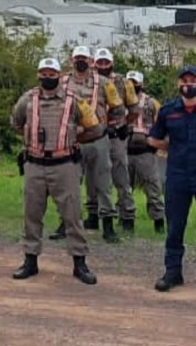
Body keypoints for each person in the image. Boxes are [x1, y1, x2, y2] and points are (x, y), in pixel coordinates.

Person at [11, 57, 100, 285]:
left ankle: (79, 263)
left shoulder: (74, 100)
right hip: (35, 164)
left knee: (72, 215)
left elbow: (95, 126)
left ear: (60, 76)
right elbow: (15, 123)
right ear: (38, 74)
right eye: (44, 73)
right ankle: (30, 260)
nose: (47, 77)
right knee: (32, 214)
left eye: (52, 74)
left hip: (64, 165)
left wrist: (73, 138)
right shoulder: (28, 99)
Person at [58, 44, 124, 244]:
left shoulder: (103, 82)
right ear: (72, 60)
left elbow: (119, 108)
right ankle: (65, 224)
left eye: (85, 58)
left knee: (103, 183)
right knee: (69, 184)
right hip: (72, 142)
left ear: (90, 61)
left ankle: (108, 226)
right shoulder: (62, 82)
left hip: (98, 140)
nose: (81, 61)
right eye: (77, 57)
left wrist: (109, 124)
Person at [148, 65, 196, 291]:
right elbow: (153, 139)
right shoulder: (168, 110)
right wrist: (171, 147)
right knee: (175, 225)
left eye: (192, 80)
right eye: (184, 80)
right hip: (177, 175)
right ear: (178, 84)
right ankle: (173, 272)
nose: (188, 85)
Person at [93, 47, 139, 233]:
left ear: (112, 62)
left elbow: (135, 109)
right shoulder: (90, 82)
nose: (103, 65)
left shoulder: (124, 82)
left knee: (121, 176)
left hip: (115, 135)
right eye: (100, 62)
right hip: (94, 135)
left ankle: (127, 215)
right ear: (94, 63)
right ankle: (96, 214)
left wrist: (124, 125)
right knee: (96, 178)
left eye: (106, 62)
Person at [125, 70, 165, 233]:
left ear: (141, 84)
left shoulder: (151, 102)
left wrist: (155, 145)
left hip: (146, 153)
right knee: (124, 189)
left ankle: (159, 223)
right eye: (129, 82)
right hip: (125, 151)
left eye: (135, 82)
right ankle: (126, 222)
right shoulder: (119, 102)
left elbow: (162, 124)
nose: (132, 85)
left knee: (153, 188)